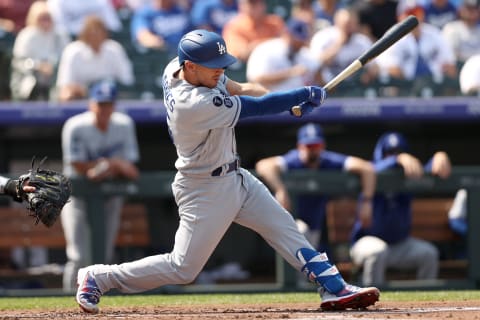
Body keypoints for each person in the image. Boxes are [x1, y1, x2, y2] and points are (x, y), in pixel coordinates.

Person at [75, 29, 380, 314]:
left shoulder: (180, 68)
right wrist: (299, 96)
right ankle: (99, 277)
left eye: (221, 63)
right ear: (190, 67)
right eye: (212, 65)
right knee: (183, 269)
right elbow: (254, 108)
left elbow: (243, 89)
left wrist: (287, 104)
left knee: (285, 229)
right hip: (203, 188)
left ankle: (334, 288)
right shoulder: (192, 103)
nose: (219, 69)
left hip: (235, 176)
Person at [61, 80, 140, 291]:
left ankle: (97, 301)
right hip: (76, 196)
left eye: (108, 104)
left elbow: (130, 168)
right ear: (91, 104)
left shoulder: (124, 124)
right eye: (100, 104)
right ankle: (66, 305)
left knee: (103, 257)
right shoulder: (76, 125)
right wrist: (112, 164)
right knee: (77, 256)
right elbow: (78, 166)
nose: (104, 109)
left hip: (110, 196)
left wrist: (109, 165)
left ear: (114, 105)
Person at [350, 131, 451, 287]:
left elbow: (427, 170)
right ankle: (369, 300)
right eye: (389, 153)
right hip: (366, 242)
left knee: (429, 254)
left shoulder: (407, 174)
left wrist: (439, 156)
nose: (394, 155)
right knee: (378, 251)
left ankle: (426, 303)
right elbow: (373, 168)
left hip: (400, 245)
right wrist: (397, 159)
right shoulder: (369, 173)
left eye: (399, 152)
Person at [255, 123, 376, 253]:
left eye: (316, 145)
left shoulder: (328, 161)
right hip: (289, 226)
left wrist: (366, 201)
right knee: (301, 232)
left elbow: (367, 168)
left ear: (322, 146)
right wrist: (280, 190)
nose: (312, 150)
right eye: (308, 146)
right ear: (300, 146)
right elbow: (263, 165)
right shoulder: (293, 160)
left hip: (315, 229)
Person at [55, 15, 134, 101]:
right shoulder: (72, 51)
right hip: (81, 98)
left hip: (110, 99)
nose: (96, 36)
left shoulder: (115, 49)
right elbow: (65, 86)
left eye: (99, 31)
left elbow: (127, 80)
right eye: (92, 32)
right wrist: (85, 90)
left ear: (105, 33)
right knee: (67, 96)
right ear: (85, 33)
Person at [10, 1, 69, 101]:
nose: (45, 21)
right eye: (42, 18)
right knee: (28, 83)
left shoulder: (60, 35)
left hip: (54, 76)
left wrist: (52, 65)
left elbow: (66, 58)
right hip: (30, 76)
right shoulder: (26, 35)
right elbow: (19, 61)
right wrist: (38, 66)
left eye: (48, 18)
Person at [309, 8, 378, 93]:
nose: (349, 28)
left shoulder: (362, 41)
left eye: (352, 24)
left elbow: (374, 66)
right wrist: (339, 44)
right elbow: (314, 64)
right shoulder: (323, 37)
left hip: (353, 87)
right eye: (346, 24)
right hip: (326, 86)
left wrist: (367, 76)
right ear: (337, 23)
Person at [246, 19, 320, 91]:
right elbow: (256, 79)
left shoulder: (304, 53)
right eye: (297, 38)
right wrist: (290, 73)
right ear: (287, 34)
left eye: (303, 39)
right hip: (270, 99)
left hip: (299, 100)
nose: (300, 42)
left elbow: (318, 74)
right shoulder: (266, 49)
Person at [46, 0, 122, 37]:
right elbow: (60, 29)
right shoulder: (57, 2)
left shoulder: (101, 1)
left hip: (101, 39)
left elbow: (114, 25)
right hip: (73, 39)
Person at [442, 0, 480, 65]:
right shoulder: (451, 28)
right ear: (461, 10)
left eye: (474, 9)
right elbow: (450, 55)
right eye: (468, 9)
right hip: (460, 65)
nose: (471, 12)